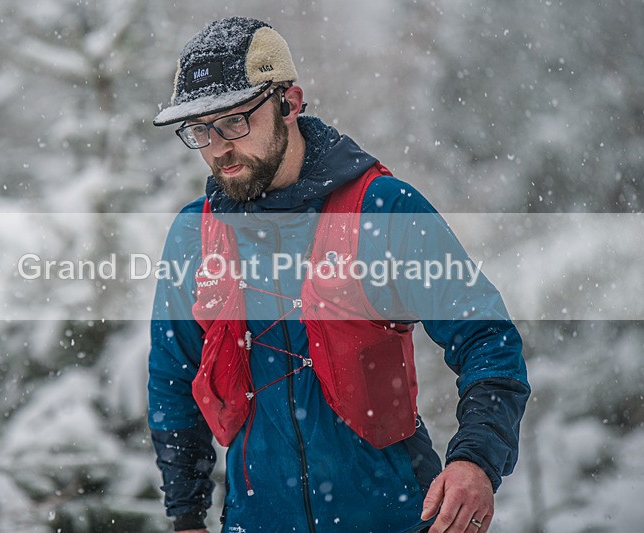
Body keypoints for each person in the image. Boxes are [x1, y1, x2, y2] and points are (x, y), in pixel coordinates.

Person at [148, 17, 529, 533]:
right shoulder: (194, 235)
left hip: (397, 519)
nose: (218, 148)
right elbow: (173, 383)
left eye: (235, 121)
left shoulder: (382, 210)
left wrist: (476, 460)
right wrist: (186, 516)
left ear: (290, 103)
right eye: (199, 130)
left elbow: (487, 338)